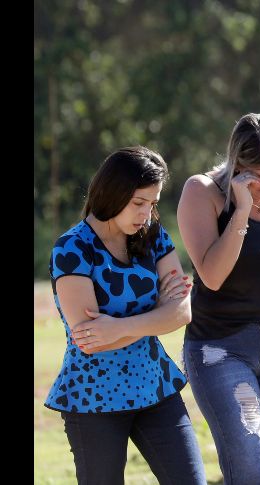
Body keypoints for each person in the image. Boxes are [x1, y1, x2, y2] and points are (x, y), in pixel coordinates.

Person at [45, 146, 206, 484]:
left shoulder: (153, 236)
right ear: (113, 191)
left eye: (153, 203)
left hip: (156, 388)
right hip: (93, 401)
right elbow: (91, 339)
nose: (147, 215)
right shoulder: (72, 248)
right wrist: (156, 315)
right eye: (138, 203)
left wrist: (118, 327)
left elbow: (182, 312)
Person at [176, 113, 260, 484]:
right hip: (220, 350)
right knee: (255, 470)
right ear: (238, 166)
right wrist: (241, 210)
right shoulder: (201, 192)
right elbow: (213, 275)